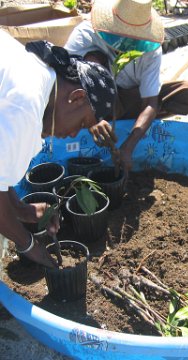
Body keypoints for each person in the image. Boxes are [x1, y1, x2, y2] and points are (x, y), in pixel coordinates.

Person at [0, 29, 117, 268]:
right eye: (83, 123)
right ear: (76, 97)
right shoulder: (26, 106)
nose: (73, 134)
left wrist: (23, 210)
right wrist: (30, 246)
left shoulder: (35, 75)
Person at [64, 0, 188, 176]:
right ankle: (98, 121)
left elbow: (150, 102)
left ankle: (129, 123)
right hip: (95, 100)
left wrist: (129, 145)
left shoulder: (150, 48)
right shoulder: (87, 33)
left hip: (129, 99)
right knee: (93, 59)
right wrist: (91, 117)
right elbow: (63, 77)